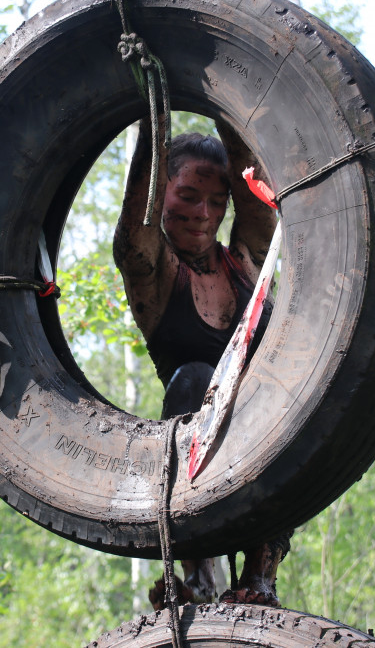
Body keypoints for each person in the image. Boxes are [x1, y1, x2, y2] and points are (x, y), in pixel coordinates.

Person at [113, 118, 292, 608]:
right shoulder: (152, 270)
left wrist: (225, 95)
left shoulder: (247, 262)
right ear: (162, 193)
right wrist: (154, 120)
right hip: (199, 434)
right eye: (188, 195)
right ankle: (199, 574)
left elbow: (255, 190)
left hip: (267, 430)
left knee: (287, 394)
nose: (203, 213)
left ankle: (261, 576)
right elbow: (135, 227)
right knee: (195, 379)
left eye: (216, 201)